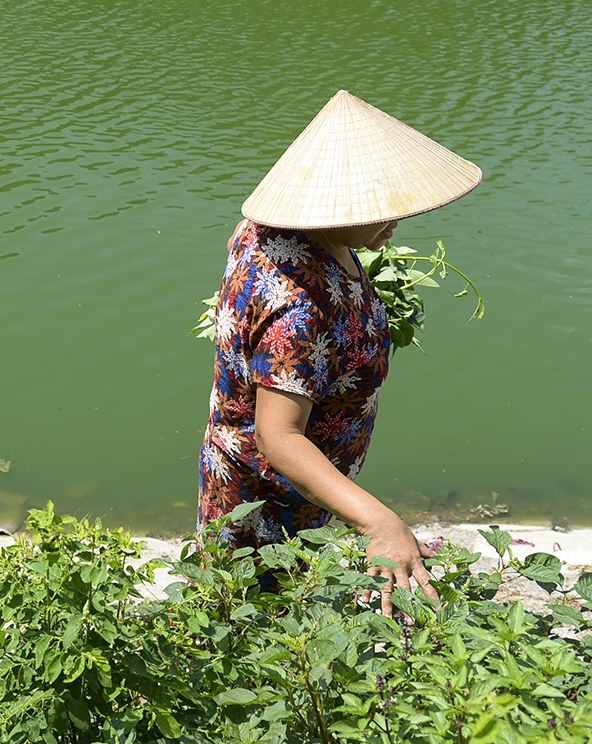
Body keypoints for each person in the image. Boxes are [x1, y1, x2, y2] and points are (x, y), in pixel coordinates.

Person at [198, 90, 481, 615]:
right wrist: (379, 522)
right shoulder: (299, 312)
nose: (397, 217)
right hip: (269, 495)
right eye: (379, 208)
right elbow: (280, 437)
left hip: (286, 479)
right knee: (258, 615)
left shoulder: (269, 232)